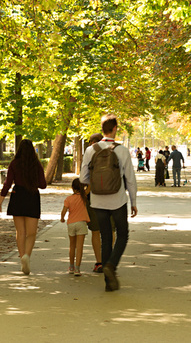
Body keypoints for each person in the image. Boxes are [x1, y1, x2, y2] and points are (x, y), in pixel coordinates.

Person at [80, 114, 137, 292]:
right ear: (115, 129)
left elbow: (83, 178)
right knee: (122, 235)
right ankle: (111, 265)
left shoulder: (91, 150)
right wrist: (133, 201)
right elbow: (130, 179)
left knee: (105, 238)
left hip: (97, 201)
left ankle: (108, 282)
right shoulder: (121, 150)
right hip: (118, 200)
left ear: (102, 128)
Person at [0, 139, 47, 275]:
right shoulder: (36, 164)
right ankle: (27, 256)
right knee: (31, 233)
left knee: (20, 232)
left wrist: (0, 202)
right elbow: (43, 184)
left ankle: (21, 257)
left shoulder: (14, 163)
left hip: (17, 196)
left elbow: (7, 183)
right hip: (32, 197)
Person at [61, 179, 90, 276]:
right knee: (80, 247)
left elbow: (64, 210)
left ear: (72, 188)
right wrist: (85, 183)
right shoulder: (84, 196)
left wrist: (62, 218)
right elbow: (90, 186)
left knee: (72, 246)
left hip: (71, 223)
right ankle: (77, 269)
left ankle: (71, 267)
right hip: (81, 223)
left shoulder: (68, 199)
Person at [86, 132, 105, 273]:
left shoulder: (89, 154)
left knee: (96, 231)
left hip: (94, 197)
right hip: (112, 196)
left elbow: (84, 177)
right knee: (110, 230)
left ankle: (99, 262)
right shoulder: (114, 152)